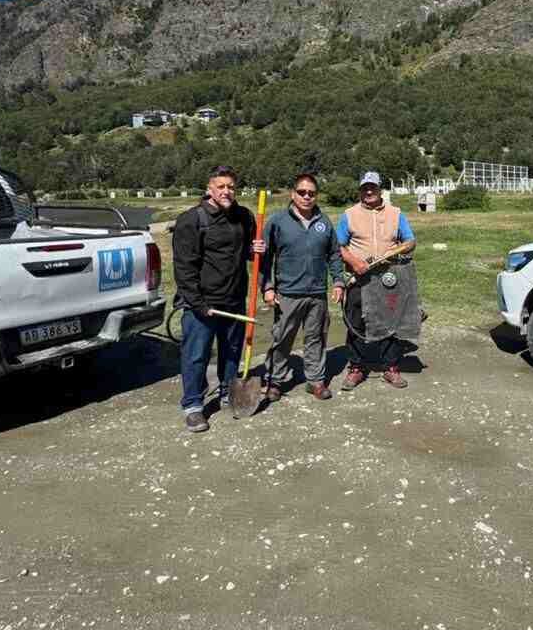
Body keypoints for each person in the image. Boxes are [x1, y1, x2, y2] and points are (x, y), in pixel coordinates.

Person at [172, 165, 265, 433]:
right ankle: (193, 406)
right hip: (202, 304)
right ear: (209, 189)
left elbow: (248, 252)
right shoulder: (191, 220)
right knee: (196, 356)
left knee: (231, 352)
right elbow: (184, 268)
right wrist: (199, 305)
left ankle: (227, 392)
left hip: (235, 300)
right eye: (221, 186)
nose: (227, 191)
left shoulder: (243, 217)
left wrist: (254, 249)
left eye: (231, 187)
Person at [259, 173, 344, 401]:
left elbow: (334, 254)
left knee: (316, 337)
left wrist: (338, 281)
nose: (307, 196)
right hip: (287, 293)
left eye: (312, 193)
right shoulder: (278, 221)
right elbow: (264, 257)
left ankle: (315, 381)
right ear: (292, 194)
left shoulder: (323, 222)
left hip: (317, 293)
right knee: (282, 338)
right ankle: (275, 381)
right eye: (302, 192)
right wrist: (266, 287)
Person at [336, 170, 421, 390]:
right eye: (365, 187)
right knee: (355, 322)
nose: (369, 191)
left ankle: (390, 367)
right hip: (359, 278)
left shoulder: (396, 213)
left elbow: (410, 240)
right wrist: (354, 262)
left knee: (390, 323)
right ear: (360, 190)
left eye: (372, 187)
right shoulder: (349, 214)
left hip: (388, 278)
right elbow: (338, 246)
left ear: (380, 189)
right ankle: (356, 368)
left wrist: (395, 252)